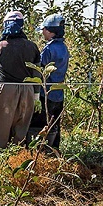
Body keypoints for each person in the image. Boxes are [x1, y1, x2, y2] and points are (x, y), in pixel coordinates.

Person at [0, 11, 41, 152]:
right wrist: (36, 94)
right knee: (21, 125)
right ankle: (16, 156)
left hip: (4, 89)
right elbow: (36, 73)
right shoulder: (32, 46)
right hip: (27, 90)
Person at [29, 13, 69, 151]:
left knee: (40, 123)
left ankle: (40, 151)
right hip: (58, 93)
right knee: (55, 123)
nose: (43, 32)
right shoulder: (64, 47)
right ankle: (54, 150)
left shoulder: (49, 49)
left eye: (44, 29)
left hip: (46, 93)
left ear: (51, 31)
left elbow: (40, 70)